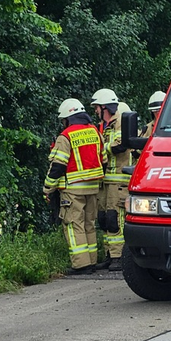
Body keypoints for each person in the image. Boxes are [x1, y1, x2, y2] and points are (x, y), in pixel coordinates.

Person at [44, 99, 104, 274]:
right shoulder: (95, 132)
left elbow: (58, 167)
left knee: (73, 225)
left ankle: (81, 265)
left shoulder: (66, 136)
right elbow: (104, 159)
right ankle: (92, 262)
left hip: (73, 189)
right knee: (89, 224)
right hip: (93, 187)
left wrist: (48, 189)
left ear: (68, 118)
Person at [91, 89, 135, 271]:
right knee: (104, 218)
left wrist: (100, 149)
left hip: (118, 181)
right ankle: (110, 254)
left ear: (105, 107)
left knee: (114, 218)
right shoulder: (105, 125)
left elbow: (120, 146)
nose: (95, 111)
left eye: (97, 108)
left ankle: (119, 257)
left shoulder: (120, 124)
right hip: (106, 181)